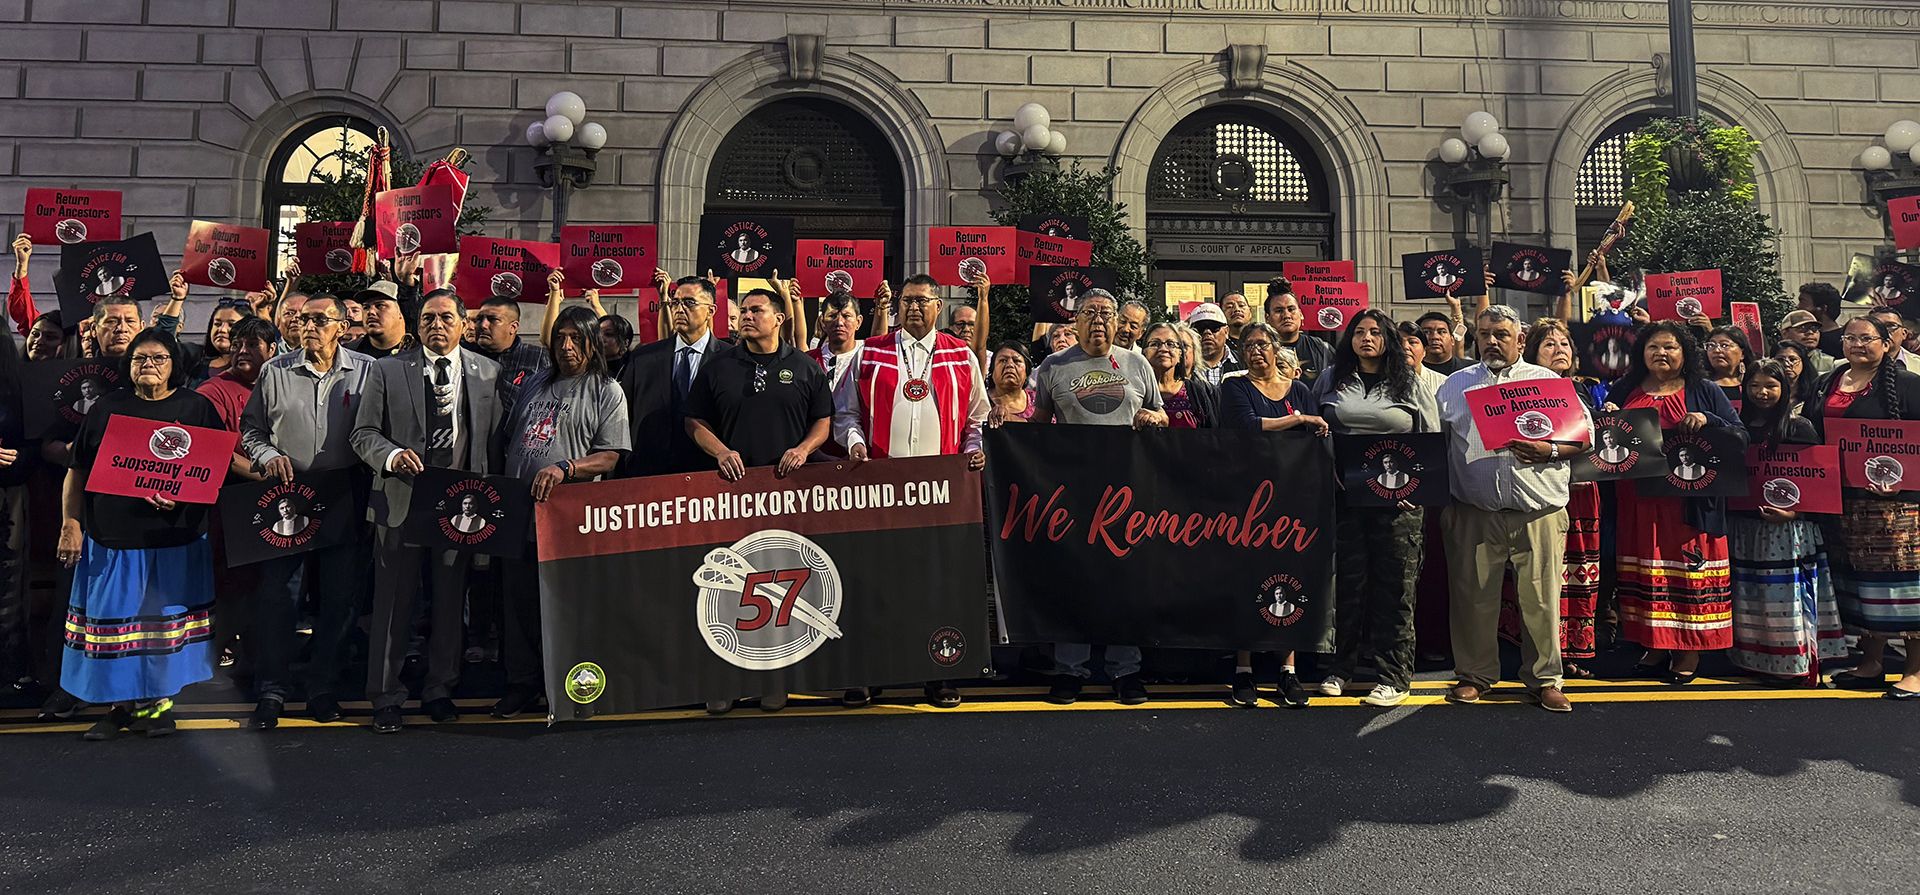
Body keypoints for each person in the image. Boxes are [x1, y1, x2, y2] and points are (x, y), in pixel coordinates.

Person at [58, 328, 225, 740]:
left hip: (175, 541)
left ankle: (159, 706)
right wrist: (70, 525)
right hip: (113, 542)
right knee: (116, 627)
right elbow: (77, 471)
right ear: (128, 366)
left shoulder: (196, 407)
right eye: (139, 359)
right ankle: (119, 707)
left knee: (162, 628)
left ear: (174, 365)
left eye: (158, 358)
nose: (148, 365)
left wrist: (182, 500)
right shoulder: (106, 409)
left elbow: (214, 470)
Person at [351, 291, 505, 733]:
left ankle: (441, 688)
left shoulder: (487, 372)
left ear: (463, 322)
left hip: (461, 505)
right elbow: (363, 434)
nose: (437, 324)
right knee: (394, 602)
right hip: (401, 499)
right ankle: (386, 694)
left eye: (446, 317)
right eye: (428, 317)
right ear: (417, 325)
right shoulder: (387, 370)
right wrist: (392, 455)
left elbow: (492, 444)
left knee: (450, 601)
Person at [837, 273, 990, 708]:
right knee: (875, 581)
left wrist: (973, 451)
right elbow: (846, 414)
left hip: (940, 493)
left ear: (939, 306)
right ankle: (870, 672)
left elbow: (976, 419)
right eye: (906, 301)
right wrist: (857, 443)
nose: (914, 308)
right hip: (882, 490)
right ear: (895, 306)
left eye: (923, 301)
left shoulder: (961, 356)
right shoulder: (869, 353)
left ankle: (938, 674)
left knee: (935, 585)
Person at [684, 288, 833, 714]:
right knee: (730, 587)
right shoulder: (719, 366)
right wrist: (721, 451)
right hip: (731, 496)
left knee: (779, 586)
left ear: (780, 318)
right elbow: (693, 419)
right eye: (742, 311)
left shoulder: (805, 367)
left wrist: (804, 449)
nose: (746, 317)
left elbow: (823, 421)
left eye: (756, 310)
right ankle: (724, 681)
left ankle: (775, 680)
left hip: (785, 496)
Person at [1437, 305, 1589, 713]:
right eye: (1484, 334)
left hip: (1538, 511)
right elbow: (1438, 445)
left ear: (1521, 340)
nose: (1491, 342)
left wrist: (1550, 449)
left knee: (1540, 599)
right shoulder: (1454, 386)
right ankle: (1474, 675)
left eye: (1501, 334)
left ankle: (1545, 680)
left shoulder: (1548, 382)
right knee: (1472, 597)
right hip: (1474, 510)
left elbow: (1585, 438)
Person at [240, 296, 375, 729]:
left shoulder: (367, 371)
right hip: (289, 492)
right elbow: (252, 429)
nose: (308, 326)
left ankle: (323, 687)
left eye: (320, 319)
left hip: (342, 490)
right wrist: (266, 455)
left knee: (338, 597)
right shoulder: (275, 370)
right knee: (279, 596)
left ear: (341, 325)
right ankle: (272, 690)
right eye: (302, 319)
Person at [1031, 290, 1168, 706]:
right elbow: (1038, 426)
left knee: (1125, 581)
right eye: (1090, 312)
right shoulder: (1054, 366)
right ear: (1075, 321)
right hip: (1073, 494)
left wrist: (1153, 416)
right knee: (1075, 579)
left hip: (1127, 493)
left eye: (1107, 314)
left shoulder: (1138, 363)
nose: (1099, 321)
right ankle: (1070, 670)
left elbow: (1161, 413)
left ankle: (1125, 671)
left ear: (1117, 322)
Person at [495, 305, 630, 719]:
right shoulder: (536, 381)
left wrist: (566, 467)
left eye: (576, 339)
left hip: (568, 519)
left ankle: (574, 686)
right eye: (560, 339)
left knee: (566, 607)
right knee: (518, 604)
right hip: (519, 512)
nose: (567, 347)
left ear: (592, 342)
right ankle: (522, 684)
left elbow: (610, 456)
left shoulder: (607, 390)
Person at [1604, 321, 1744, 685]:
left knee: (1686, 574)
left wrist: (1707, 418)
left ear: (1685, 353)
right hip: (1638, 502)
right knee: (1647, 575)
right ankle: (1654, 645)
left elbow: (1739, 434)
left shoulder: (1705, 389)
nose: (1661, 354)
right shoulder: (1625, 387)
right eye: (1653, 347)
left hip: (1688, 506)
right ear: (1641, 353)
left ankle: (1688, 650)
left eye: (1670, 347)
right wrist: (1609, 414)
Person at [1313, 309, 1435, 708]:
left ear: (1388, 340)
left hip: (1399, 504)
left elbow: (1431, 440)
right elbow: (1317, 432)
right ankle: (1340, 668)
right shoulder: (1331, 379)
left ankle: (1394, 676)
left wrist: (1415, 489)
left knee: (1395, 588)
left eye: (1375, 333)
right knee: (1346, 586)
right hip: (1346, 500)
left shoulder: (1409, 384)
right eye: (1359, 332)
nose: (1367, 338)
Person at [1808, 316, 1920, 698]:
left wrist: (1903, 483)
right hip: (1842, 503)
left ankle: (1915, 671)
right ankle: (1871, 661)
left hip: (1897, 509)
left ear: (1887, 343)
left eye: (1866, 338)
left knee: (1904, 589)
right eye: (1850, 338)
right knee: (1859, 585)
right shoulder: (1828, 382)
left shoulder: (1908, 386)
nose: (1857, 344)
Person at [1489, 318, 1606, 678]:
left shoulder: (1586, 390)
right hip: (1537, 495)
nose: (1560, 351)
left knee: (1576, 574)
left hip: (1584, 495)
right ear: (1531, 351)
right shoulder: (1520, 388)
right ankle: (1528, 650)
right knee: (1538, 579)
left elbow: (1589, 439)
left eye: (1565, 345)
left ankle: (1569, 650)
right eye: (1550, 345)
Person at [1219, 326, 1326, 707]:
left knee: (1290, 578)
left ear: (1275, 348)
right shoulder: (1234, 386)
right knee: (1246, 577)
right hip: (1248, 500)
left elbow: (1317, 438)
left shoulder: (1299, 390)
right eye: (1247, 346)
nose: (1255, 352)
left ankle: (1288, 670)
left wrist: (1310, 422)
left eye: (1262, 344)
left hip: (1293, 498)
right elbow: (1248, 427)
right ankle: (1244, 670)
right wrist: (1298, 420)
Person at [1728, 359, 1845, 683]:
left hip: (1788, 531)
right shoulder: (1736, 427)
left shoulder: (1800, 427)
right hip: (1746, 527)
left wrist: (1795, 513)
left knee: (1787, 599)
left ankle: (1793, 662)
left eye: (1770, 386)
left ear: (1784, 388)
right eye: (1755, 386)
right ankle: (1752, 659)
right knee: (1751, 597)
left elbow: (1818, 482)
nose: (1762, 393)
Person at [619, 272, 724, 478]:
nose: (679, 308)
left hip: (708, 473)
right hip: (648, 472)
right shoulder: (643, 358)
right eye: (675, 302)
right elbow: (623, 416)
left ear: (711, 311)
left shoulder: (729, 359)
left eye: (689, 302)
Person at [0, 331, 30, 692]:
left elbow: (34, 446)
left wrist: (15, 460)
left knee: (8, 586)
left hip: (8, 497)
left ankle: (9, 671)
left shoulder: (18, 390)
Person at [473, 289, 552, 398]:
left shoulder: (539, 358)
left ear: (513, 327)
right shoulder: (465, 357)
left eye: (493, 319)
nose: (483, 325)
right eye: (479, 319)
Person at [1142, 322, 1220, 429]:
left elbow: (1212, 435)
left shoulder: (1196, 392)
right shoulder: (1136, 389)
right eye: (1155, 344)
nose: (1163, 349)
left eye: (1170, 344)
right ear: (1144, 352)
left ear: (1180, 354)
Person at [1264, 279, 1333, 382]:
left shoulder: (1321, 348)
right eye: (1279, 311)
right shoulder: (1261, 351)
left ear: (1301, 314)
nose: (1286, 316)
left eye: (1291, 309)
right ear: (1267, 318)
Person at [347, 280, 414, 360]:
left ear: (400, 312)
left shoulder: (420, 351)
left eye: (380, 306)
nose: (370, 312)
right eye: (366, 307)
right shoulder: (349, 354)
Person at [1187, 303, 1242, 386]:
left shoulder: (1244, 362)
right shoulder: (1183, 365)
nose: (1207, 332)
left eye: (1214, 327)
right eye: (1199, 328)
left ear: (1226, 331)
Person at [985, 342, 1037, 426]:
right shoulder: (981, 401)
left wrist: (1013, 419)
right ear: (992, 371)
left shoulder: (1038, 401)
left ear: (1027, 372)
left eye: (1017, 361)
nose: (1010, 365)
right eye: (1003, 360)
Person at [1777, 310, 1838, 375]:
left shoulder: (1829, 363)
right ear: (1784, 333)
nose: (1810, 332)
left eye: (1814, 328)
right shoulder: (1775, 363)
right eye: (1803, 328)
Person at [1703, 326, 1753, 403]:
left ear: (1742, 353)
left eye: (1724, 345)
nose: (1716, 350)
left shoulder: (1753, 382)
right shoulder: (1700, 385)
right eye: (1711, 345)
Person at [1797, 282, 1846, 359]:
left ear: (1823, 308)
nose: (1798, 307)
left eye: (1803, 302)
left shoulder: (1844, 341)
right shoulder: (1798, 337)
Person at [1865, 307, 1920, 375]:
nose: (1884, 331)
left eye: (1890, 326)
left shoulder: (1918, 364)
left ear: (1904, 333)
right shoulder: (1849, 366)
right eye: (1876, 326)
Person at [1771, 340, 1821, 413]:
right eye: (1780, 360)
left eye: (1792, 359)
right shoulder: (1769, 394)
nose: (1787, 364)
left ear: (1803, 362)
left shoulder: (1815, 393)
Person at [598, 313, 635, 377]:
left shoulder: (635, 370)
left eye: (608, 334)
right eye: (597, 333)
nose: (600, 338)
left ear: (625, 343)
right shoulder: (584, 368)